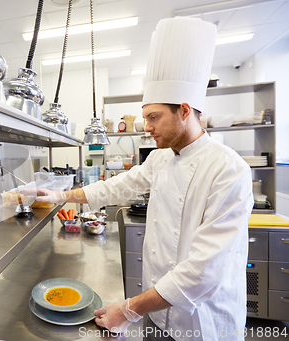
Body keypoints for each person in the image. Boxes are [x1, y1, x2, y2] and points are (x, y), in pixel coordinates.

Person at [23, 17, 253, 341]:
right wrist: (60, 196)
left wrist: (129, 308)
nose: (146, 127)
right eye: (146, 117)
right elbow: (116, 186)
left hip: (204, 325)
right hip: (157, 315)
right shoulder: (160, 157)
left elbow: (202, 274)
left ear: (185, 110)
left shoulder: (229, 171)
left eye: (154, 117)